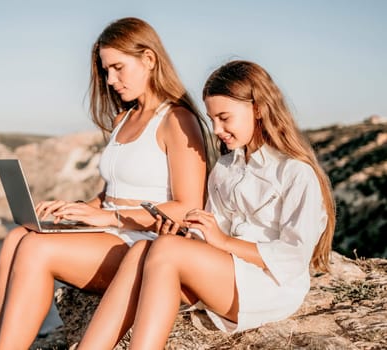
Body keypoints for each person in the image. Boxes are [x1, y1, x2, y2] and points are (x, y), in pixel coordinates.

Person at [77, 60, 336, 349]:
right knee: (142, 250)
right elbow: (208, 236)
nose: (217, 129)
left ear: (259, 109)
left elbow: (292, 256)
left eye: (225, 117)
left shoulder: (295, 172)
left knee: (163, 251)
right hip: (225, 273)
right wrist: (185, 235)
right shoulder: (225, 168)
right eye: (212, 119)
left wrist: (222, 241)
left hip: (269, 286)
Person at [0, 17, 212, 350]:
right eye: (106, 71)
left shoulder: (178, 120)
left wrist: (110, 217)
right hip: (112, 233)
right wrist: (79, 208)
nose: (111, 80)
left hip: (146, 243)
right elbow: (112, 193)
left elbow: (188, 208)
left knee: (35, 248)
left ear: (149, 59)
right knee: (16, 237)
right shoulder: (123, 119)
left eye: (118, 68)